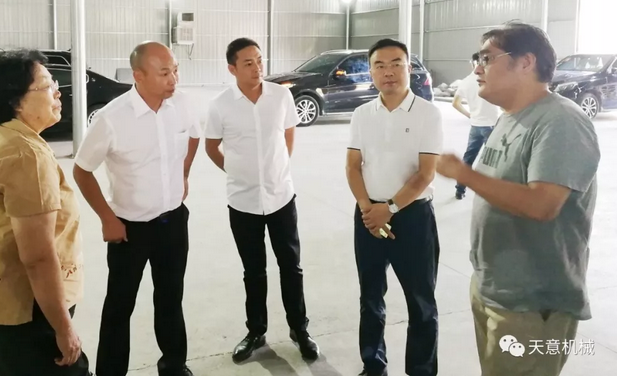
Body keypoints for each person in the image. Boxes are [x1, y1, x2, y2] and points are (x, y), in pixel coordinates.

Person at [436, 22, 600, 376]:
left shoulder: (560, 121)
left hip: (532, 303)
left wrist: (465, 175)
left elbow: (543, 204)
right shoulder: (510, 118)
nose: (477, 69)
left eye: (487, 58)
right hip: (497, 289)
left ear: (526, 62)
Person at [73, 42, 200, 376]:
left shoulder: (182, 104)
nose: (173, 79)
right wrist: (107, 218)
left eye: (175, 70)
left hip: (174, 222)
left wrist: (184, 174)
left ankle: (174, 365)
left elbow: (194, 136)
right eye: (164, 73)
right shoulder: (112, 118)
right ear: (138, 76)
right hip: (129, 230)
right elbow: (82, 170)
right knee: (119, 306)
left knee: (170, 298)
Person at [0, 49, 89, 376]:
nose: (58, 92)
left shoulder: (2, 136)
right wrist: (63, 328)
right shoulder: (25, 154)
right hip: (27, 310)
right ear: (16, 101)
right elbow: (37, 256)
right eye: (47, 86)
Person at [204, 38, 319, 363]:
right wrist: (237, 171)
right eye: (248, 63)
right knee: (253, 271)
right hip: (243, 202)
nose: (257, 68)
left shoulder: (281, 96)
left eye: (259, 60)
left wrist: (278, 169)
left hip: (281, 197)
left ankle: (299, 329)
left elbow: (289, 134)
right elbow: (211, 147)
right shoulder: (220, 105)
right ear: (232, 69)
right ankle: (256, 331)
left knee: (291, 266)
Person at [345, 38, 443, 376]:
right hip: (369, 216)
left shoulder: (428, 113)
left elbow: (425, 173)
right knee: (370, 297)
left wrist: (389, 208)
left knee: (421, 302)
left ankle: (421, 370)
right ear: (371, 71)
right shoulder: (362, 114)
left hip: (412, 217)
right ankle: (373, 364)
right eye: (380, 66)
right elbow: (353, 166)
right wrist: (367, 209)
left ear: (409, 68)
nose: (388, 72)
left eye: (396, 64)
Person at [451, 52, 500, 200]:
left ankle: (460, 190)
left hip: (475, 126)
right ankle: (491, 193)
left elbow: (455, 103)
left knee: (468, 159)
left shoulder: (465, 82)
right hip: (491, 125)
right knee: (492, 162)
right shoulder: (490, 79)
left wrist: (470, 115)